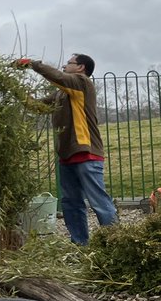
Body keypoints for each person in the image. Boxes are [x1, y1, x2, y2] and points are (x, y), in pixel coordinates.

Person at [16, 53, 118, 245]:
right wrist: (15, 89)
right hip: (67, 156)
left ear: (80, 68)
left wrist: (32, 64)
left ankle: (117, 242)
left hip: (86, 153)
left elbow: (59, 77)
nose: (64, 65)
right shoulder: (62, 93)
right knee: (71, 203)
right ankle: (80, 245)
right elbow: (37, 106)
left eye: (69, 63)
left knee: (99, 202)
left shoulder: (82, 83)